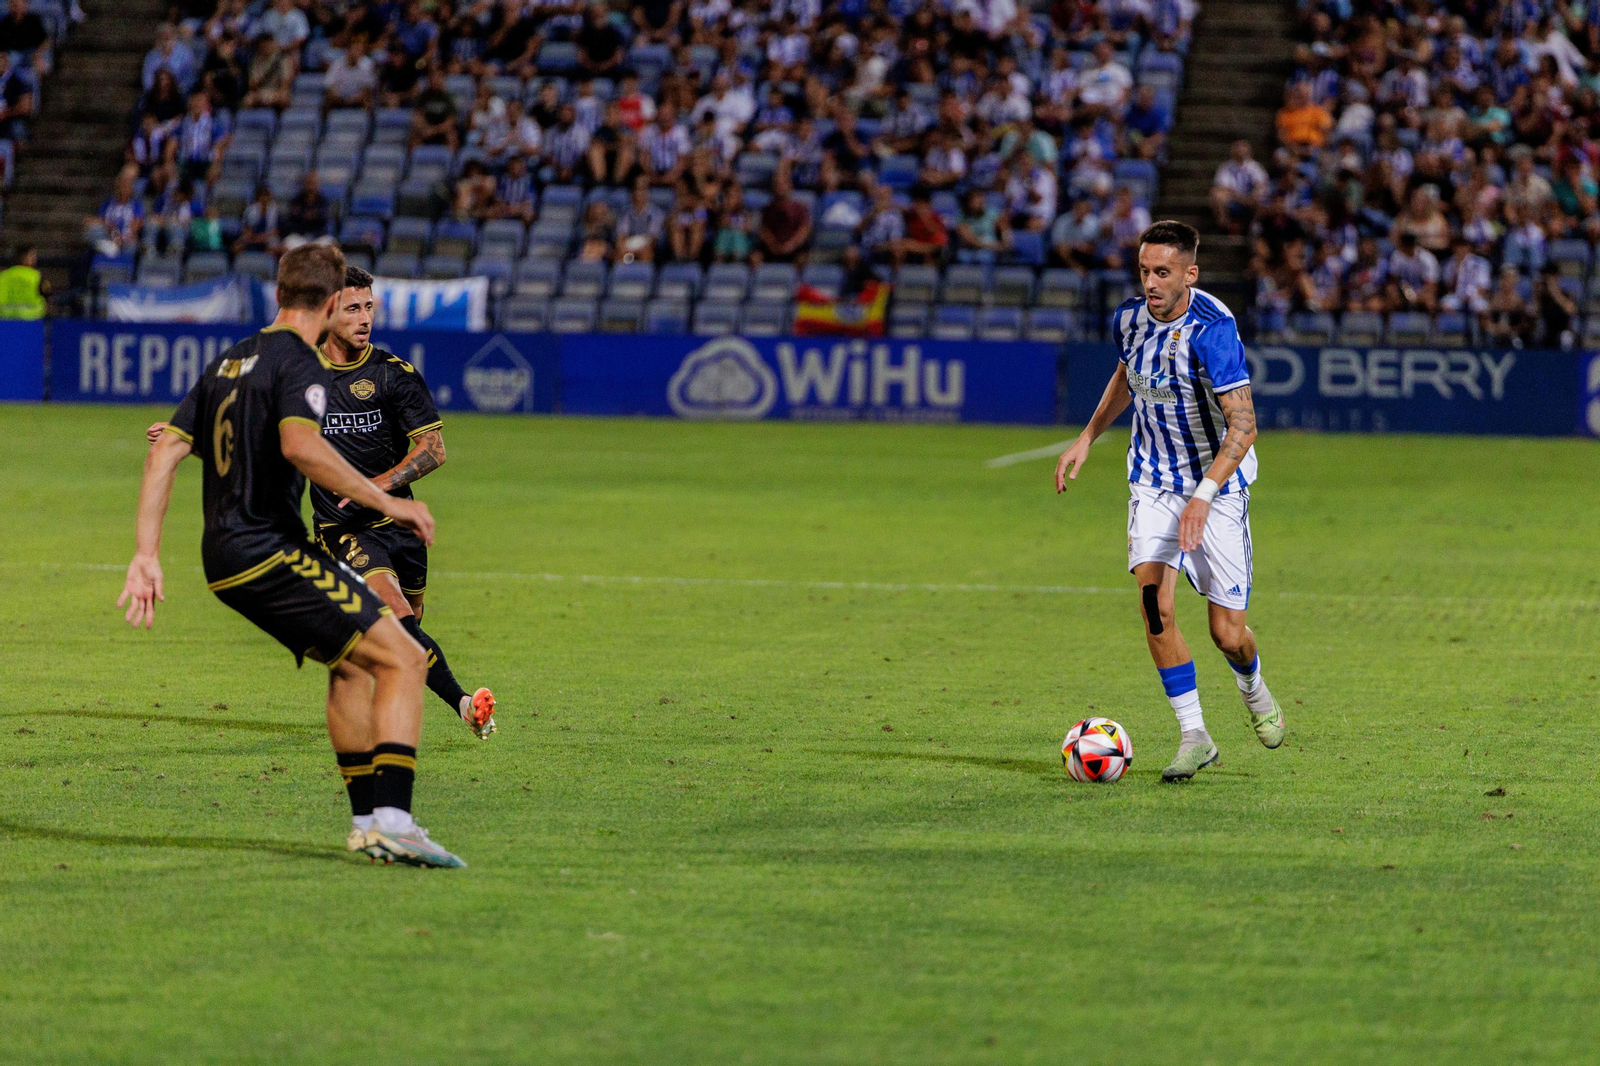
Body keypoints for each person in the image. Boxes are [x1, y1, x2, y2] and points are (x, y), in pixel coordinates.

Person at [120, 244, 466, 869]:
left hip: (224, 556)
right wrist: (389, 499)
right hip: (268, 551)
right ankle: (394, 820)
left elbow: (164, 452)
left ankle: (367, 823)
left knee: (352, 665)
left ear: (279, 292)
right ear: (332, 302)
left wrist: (145, 554)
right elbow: (301, 448)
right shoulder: (299, 364)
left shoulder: (230, 361)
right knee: (406, 657)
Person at [151, 265, 499, 742]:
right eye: (353, 308)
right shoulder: (302, 375)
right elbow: (261, 435)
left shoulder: (393, 375)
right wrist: (192, 437)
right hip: (344, 530)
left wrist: (377, 488)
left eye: (369, 308)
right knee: (394, 613)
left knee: (406, 630)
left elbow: (434, 449)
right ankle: (463, 704)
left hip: (401, 526)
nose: (364, 318)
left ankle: (384, 702)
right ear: (331, 311)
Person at [1054, 220, 1286, 782]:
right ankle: (1195, 735)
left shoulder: (1214, 330)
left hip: (1217, 483)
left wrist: (1204, 496)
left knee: (1226, 633)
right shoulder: (1129, 319)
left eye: (1163, 272)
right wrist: (1088, 436)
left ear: (1190, 273)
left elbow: (1245, 426)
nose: (1151, 283)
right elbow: (1125, 376)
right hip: (1154, 480)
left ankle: (1253, 688)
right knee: (1155, 603)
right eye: (1144, 271)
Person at [0, 242, 46, 318]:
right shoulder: (37, 276)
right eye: (31, 255)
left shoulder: (2, 276)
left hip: (4, 323)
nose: (35, 258)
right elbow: (48, 298)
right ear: (23, 257)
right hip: (32, 323)